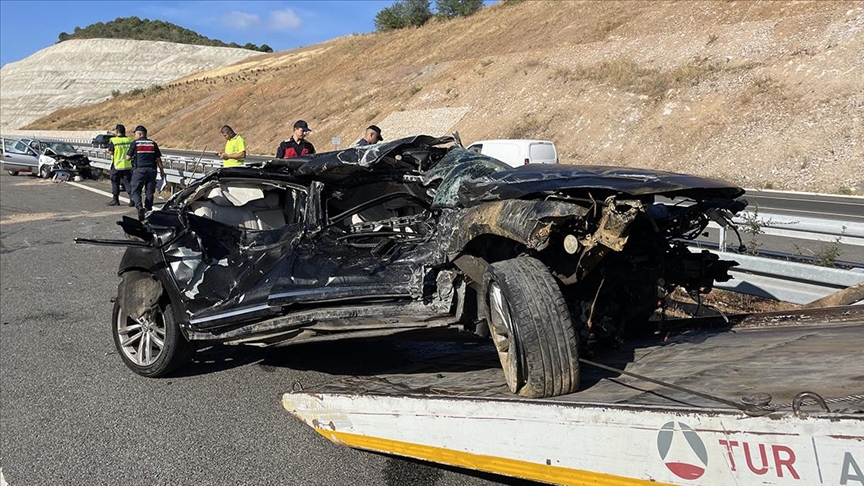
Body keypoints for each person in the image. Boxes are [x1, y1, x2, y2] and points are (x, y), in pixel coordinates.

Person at [125, 125, 166, 221]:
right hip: (152, 170)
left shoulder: (135, 143)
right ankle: (148, 210)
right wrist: (162, 171)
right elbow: (158, 159)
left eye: (135, 134)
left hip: (139, 170)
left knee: (135, 190)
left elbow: (127, 157)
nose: (134, 136)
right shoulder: (153, 143)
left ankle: (139, 207)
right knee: (149, 191)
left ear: (139, 134)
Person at [106, 124, 134, 206]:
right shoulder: (130, 140)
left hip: (117, 165)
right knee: (127, 182)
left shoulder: (114, 140)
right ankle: (132, 199)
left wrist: (108, 152)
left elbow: (111, 152)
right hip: (127, 165)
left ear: (117, 131)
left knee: (115, 182)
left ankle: (115, 200)